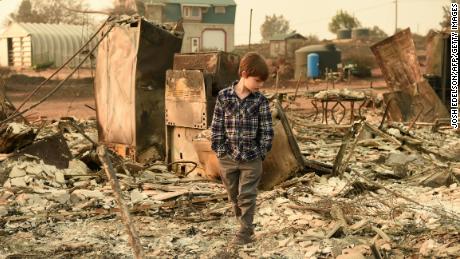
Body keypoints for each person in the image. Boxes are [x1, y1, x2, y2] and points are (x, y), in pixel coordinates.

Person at [211, 52, 274, 245]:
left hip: (251, 158)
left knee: (247, 195)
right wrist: (220, 150)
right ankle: (241, 220)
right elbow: (217, 126)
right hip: (228, 157)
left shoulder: (260, 101)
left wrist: (261, 152)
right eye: (257, 81)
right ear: (244, 74)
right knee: (233, 195)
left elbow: (267, 131)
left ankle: (246, 232)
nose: (260, 86)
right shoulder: (224, 97)